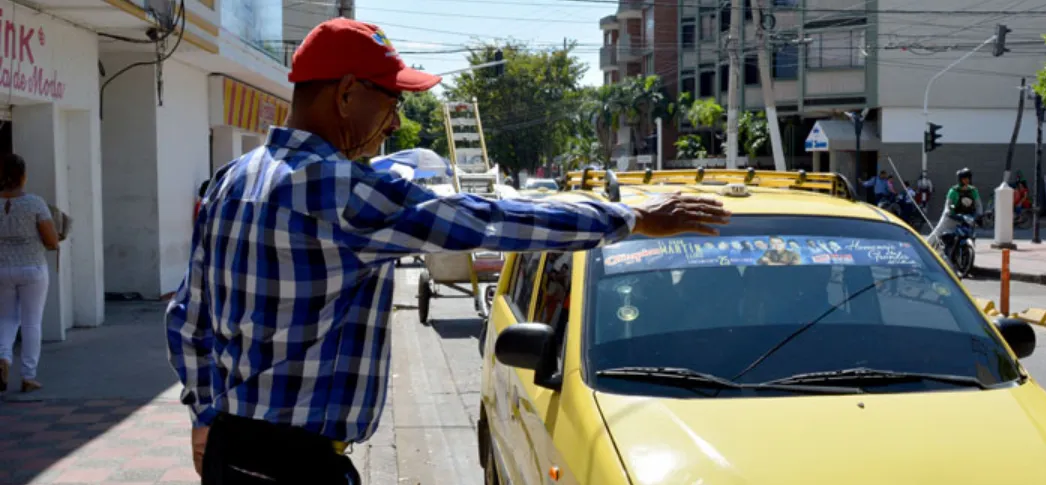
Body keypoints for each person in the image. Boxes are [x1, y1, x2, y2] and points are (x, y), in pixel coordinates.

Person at [165, 18, 731, 485]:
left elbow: (187, 321)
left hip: (230, 450)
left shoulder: (232, 180)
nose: (394, 122)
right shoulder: (337, 189)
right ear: (345, 94)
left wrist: (204, 413)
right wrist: (630, 217)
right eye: (392, 102)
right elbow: (488, 220)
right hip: (293, 467)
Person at [0, 153, 58, 394]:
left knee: (6, 318)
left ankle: (3, 358)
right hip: (32, 268)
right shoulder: (35, 203)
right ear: (23, 177)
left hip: (2, 268)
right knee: (31, 321)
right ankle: (28, 376)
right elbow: (52, 240)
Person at [926, 167, 981, 247]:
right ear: (960, 179)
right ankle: (926, 247)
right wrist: (951, 210)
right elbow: (949, 205)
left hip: (966, 218)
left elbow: (978, 205)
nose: (967, 181)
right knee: (938, 232)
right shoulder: (953, 191)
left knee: (971, 233)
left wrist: (979, 215)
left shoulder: (973, 191)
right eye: (964, 179)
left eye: (968, 178)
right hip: (951, 217)